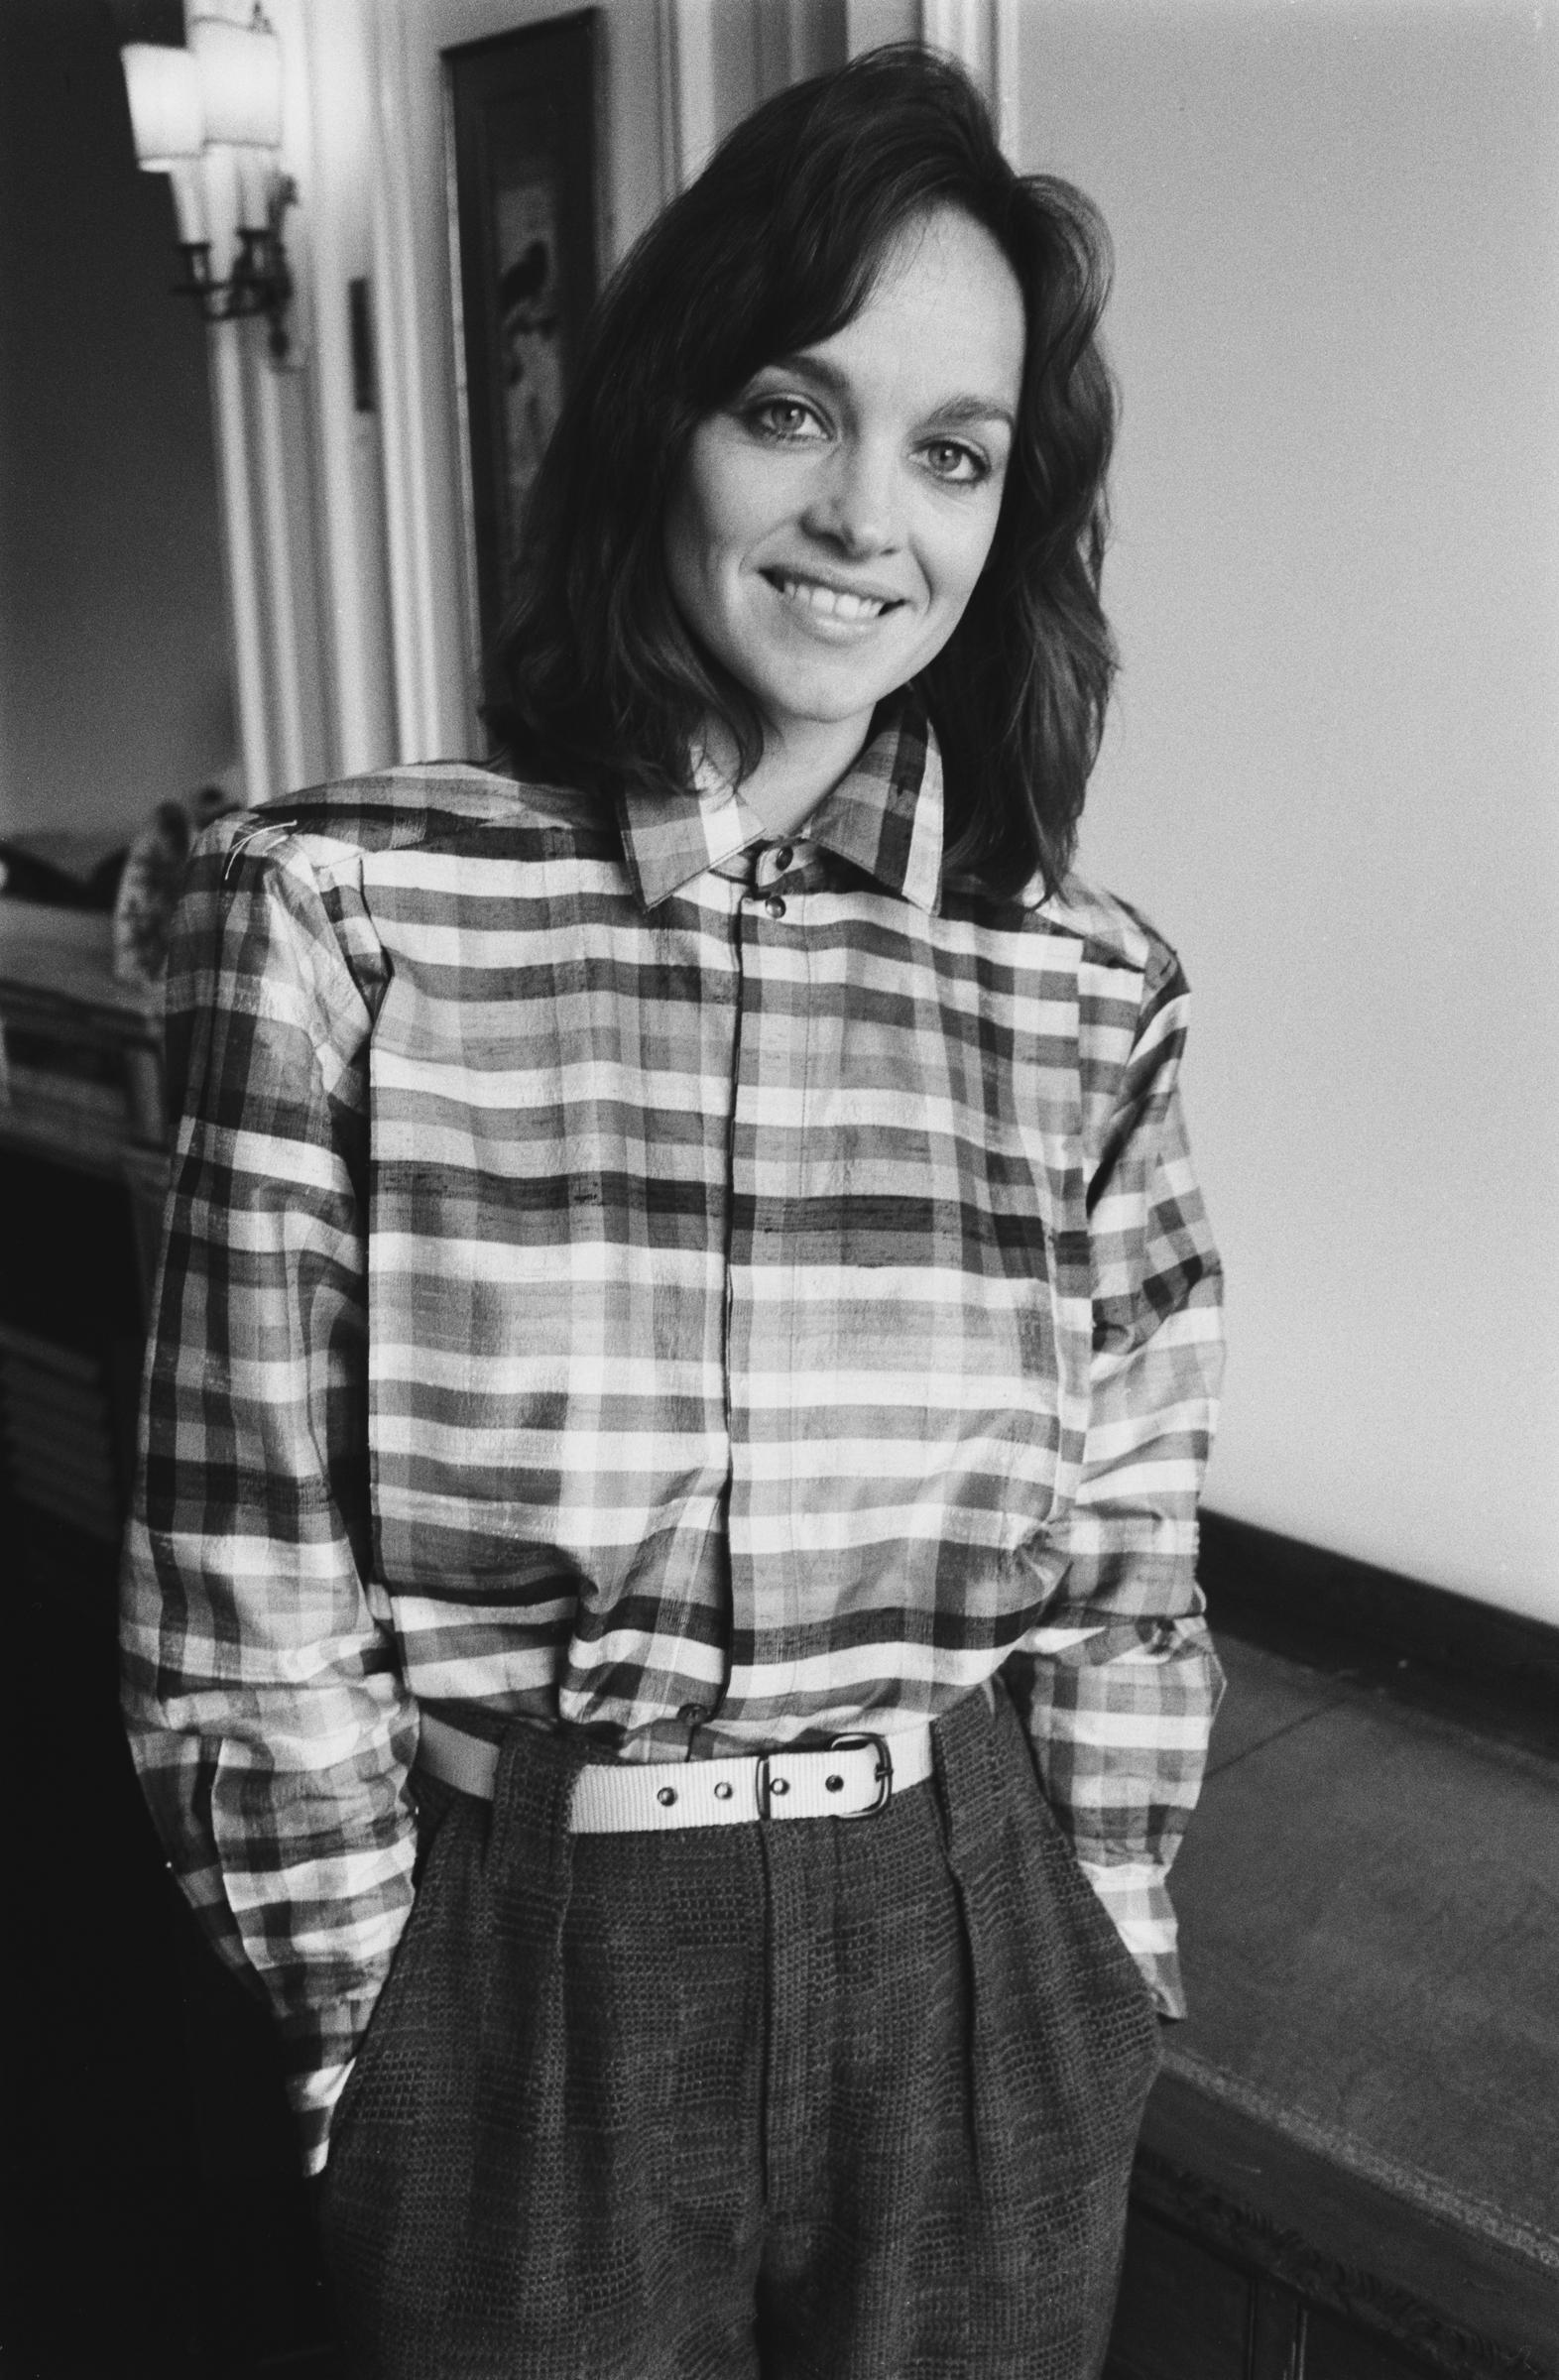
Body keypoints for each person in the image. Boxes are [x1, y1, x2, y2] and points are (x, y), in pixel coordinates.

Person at [121, 45, 1224, 2380]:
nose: (864, 519)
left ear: (1010, 511)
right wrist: (368, 2024)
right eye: (790, 410)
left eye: (952, 450)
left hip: (969, 1958)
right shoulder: (339, 914)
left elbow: (1134, 1566)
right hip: (516, 1982)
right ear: (665, 423)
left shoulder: (1087, 991)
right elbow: (242, 1582)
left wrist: (1102, 1943)